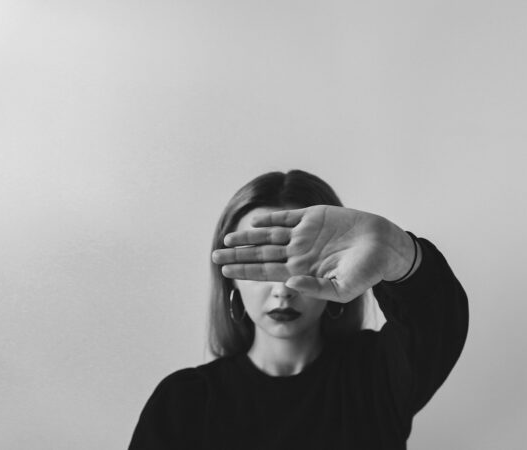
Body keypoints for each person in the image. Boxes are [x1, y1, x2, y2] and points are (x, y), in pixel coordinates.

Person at [128, 169, 469, 450]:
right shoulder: (184, 403)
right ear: (231, 279)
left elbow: (437, 319)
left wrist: (395, 249)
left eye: (300, 264)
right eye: (263, 264)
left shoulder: (375, 375)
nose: (282, 290)